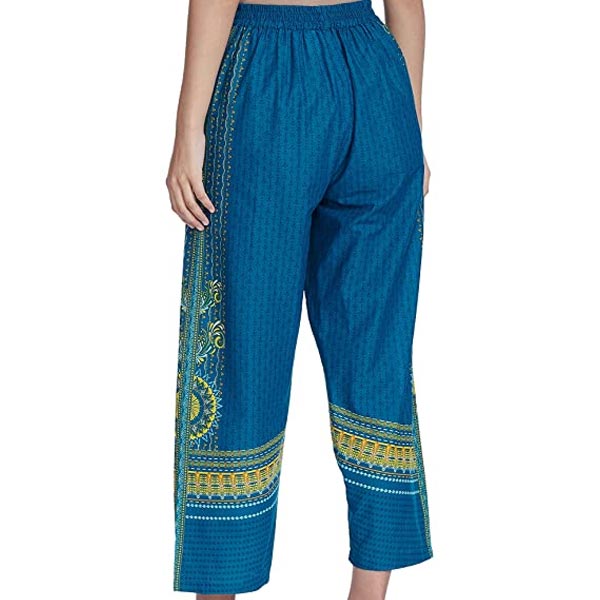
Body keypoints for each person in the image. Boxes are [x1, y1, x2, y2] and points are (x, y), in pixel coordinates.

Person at [166, 0, 432, 597]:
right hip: (377, 80)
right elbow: (407, 6)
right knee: (376, 352)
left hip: (268, 76)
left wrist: (188, 128)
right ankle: (369, 591)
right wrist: (408, 124)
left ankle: (221, 587)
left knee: (240, 348)